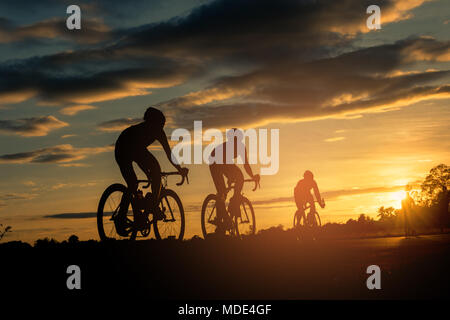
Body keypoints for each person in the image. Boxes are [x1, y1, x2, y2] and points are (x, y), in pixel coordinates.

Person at [114, 107, 188, 236]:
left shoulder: (158, 132)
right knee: (133, 184)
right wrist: (149, 173)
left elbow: (169, 154)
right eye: (160, 124)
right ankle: (121, 218)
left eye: (162, 125)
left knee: (154, 171)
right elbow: (138, 156)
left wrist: (179, 169)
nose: (161, 128)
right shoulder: (140, 131)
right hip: (123, 148)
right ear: (151, 122)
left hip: (135, 149)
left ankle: (148, 208)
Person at [208, 128, 260, 233]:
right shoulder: (227, 147)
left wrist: (252, 176)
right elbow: (224, 165)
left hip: (221, 162)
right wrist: (231, 178)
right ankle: (223, 216)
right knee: (223, 190)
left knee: (236, 179)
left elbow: (245, 164)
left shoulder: (240, 147)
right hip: (215, 161)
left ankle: (231, 206)